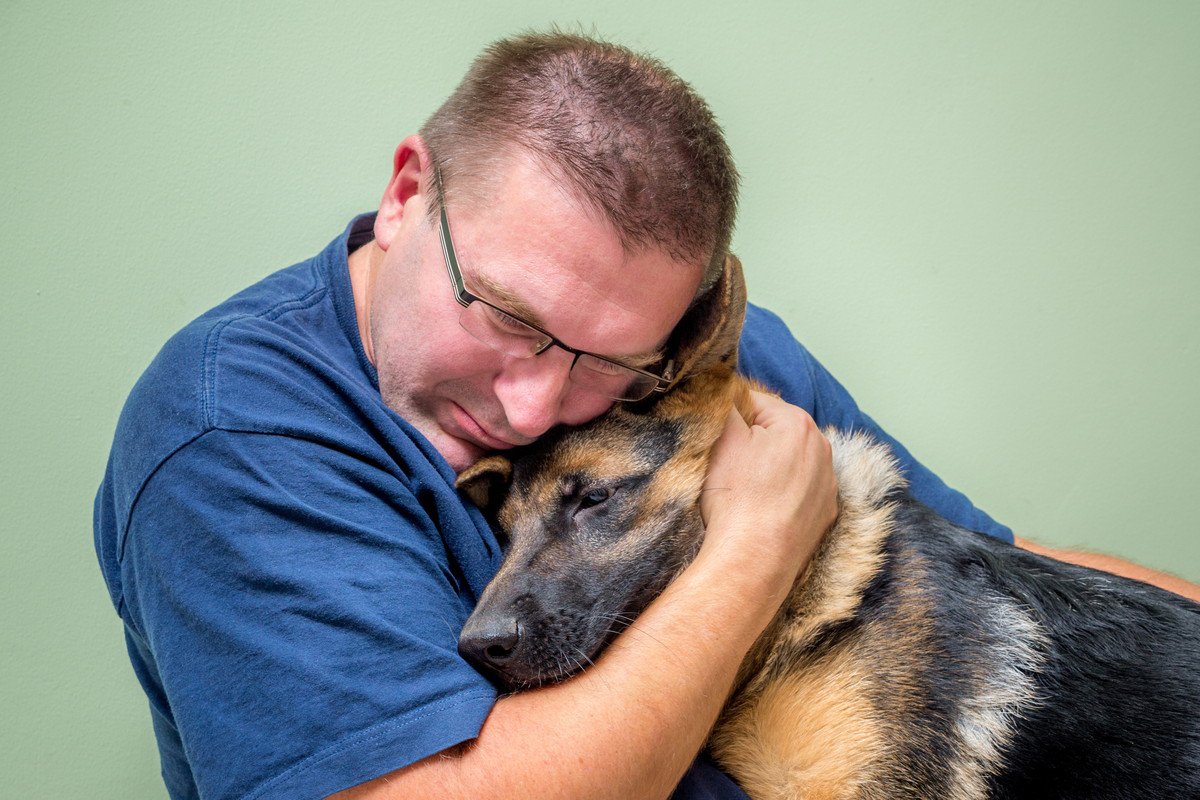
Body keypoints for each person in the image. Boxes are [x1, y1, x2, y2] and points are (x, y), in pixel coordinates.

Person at [93, 31, 1198, 800]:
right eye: (506, 313)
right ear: (404, 191)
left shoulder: (685, 353)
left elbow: (988, 563)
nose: (534, 402)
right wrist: (759, 539)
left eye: (602, 363)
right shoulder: (236, 432)